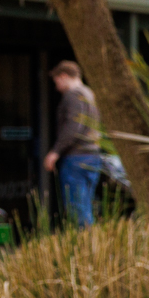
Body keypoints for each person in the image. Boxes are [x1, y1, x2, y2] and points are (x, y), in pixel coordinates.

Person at [44, 62, 105, 228]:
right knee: (86, 208)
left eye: (56, 82)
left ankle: (85, 248)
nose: (57, 88)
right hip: (93, 157)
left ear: (63, 76)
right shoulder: (90, 94)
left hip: (76, 158)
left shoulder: (73, 95)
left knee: (76, 210)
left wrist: (55, 152)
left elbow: (73, 126)